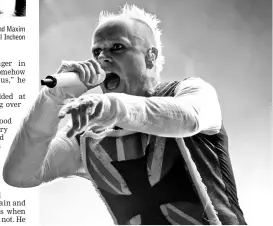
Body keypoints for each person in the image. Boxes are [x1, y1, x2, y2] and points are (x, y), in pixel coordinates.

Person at [3, 4, 247, 225]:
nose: (102, 58)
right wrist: (50, 98)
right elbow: (20, 175)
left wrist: (109, 107)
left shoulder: (190, 91)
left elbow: (189, 118)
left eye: (117, 47)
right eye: (96, 51)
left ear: (151, 57)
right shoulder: (89, 137)